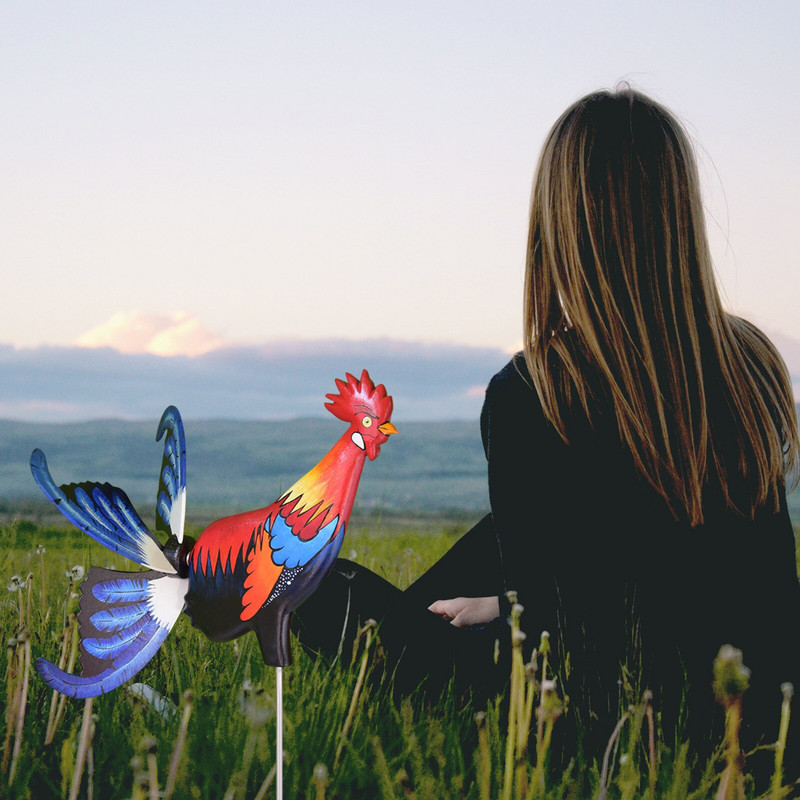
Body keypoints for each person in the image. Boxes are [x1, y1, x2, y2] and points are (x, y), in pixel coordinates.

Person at [293, 86, 800, 770]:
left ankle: (227, 577)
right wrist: (511, 601)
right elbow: (722, 578)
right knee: (491, 544)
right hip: (757, 706)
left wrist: (511, 613)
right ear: (679, 212)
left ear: (560, 222)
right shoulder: (752, 363)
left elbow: (568, 651)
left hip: (610, 720)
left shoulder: (537, 390)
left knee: (323, 591)